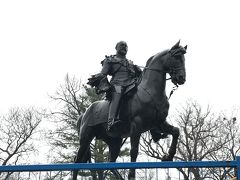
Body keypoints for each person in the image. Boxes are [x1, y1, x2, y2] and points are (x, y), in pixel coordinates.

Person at [88, 41, 141, 132]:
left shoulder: (130, 63)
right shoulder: (110, 60)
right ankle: (111, 122)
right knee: (118, 92)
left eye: (126, 46)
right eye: (121, 45)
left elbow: (137, 75)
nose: (124, 47)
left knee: (142, 92)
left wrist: (139, 71)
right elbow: (103, 74)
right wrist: (105, 85)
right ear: (116, 48)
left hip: (130, 83)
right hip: (116, 83)